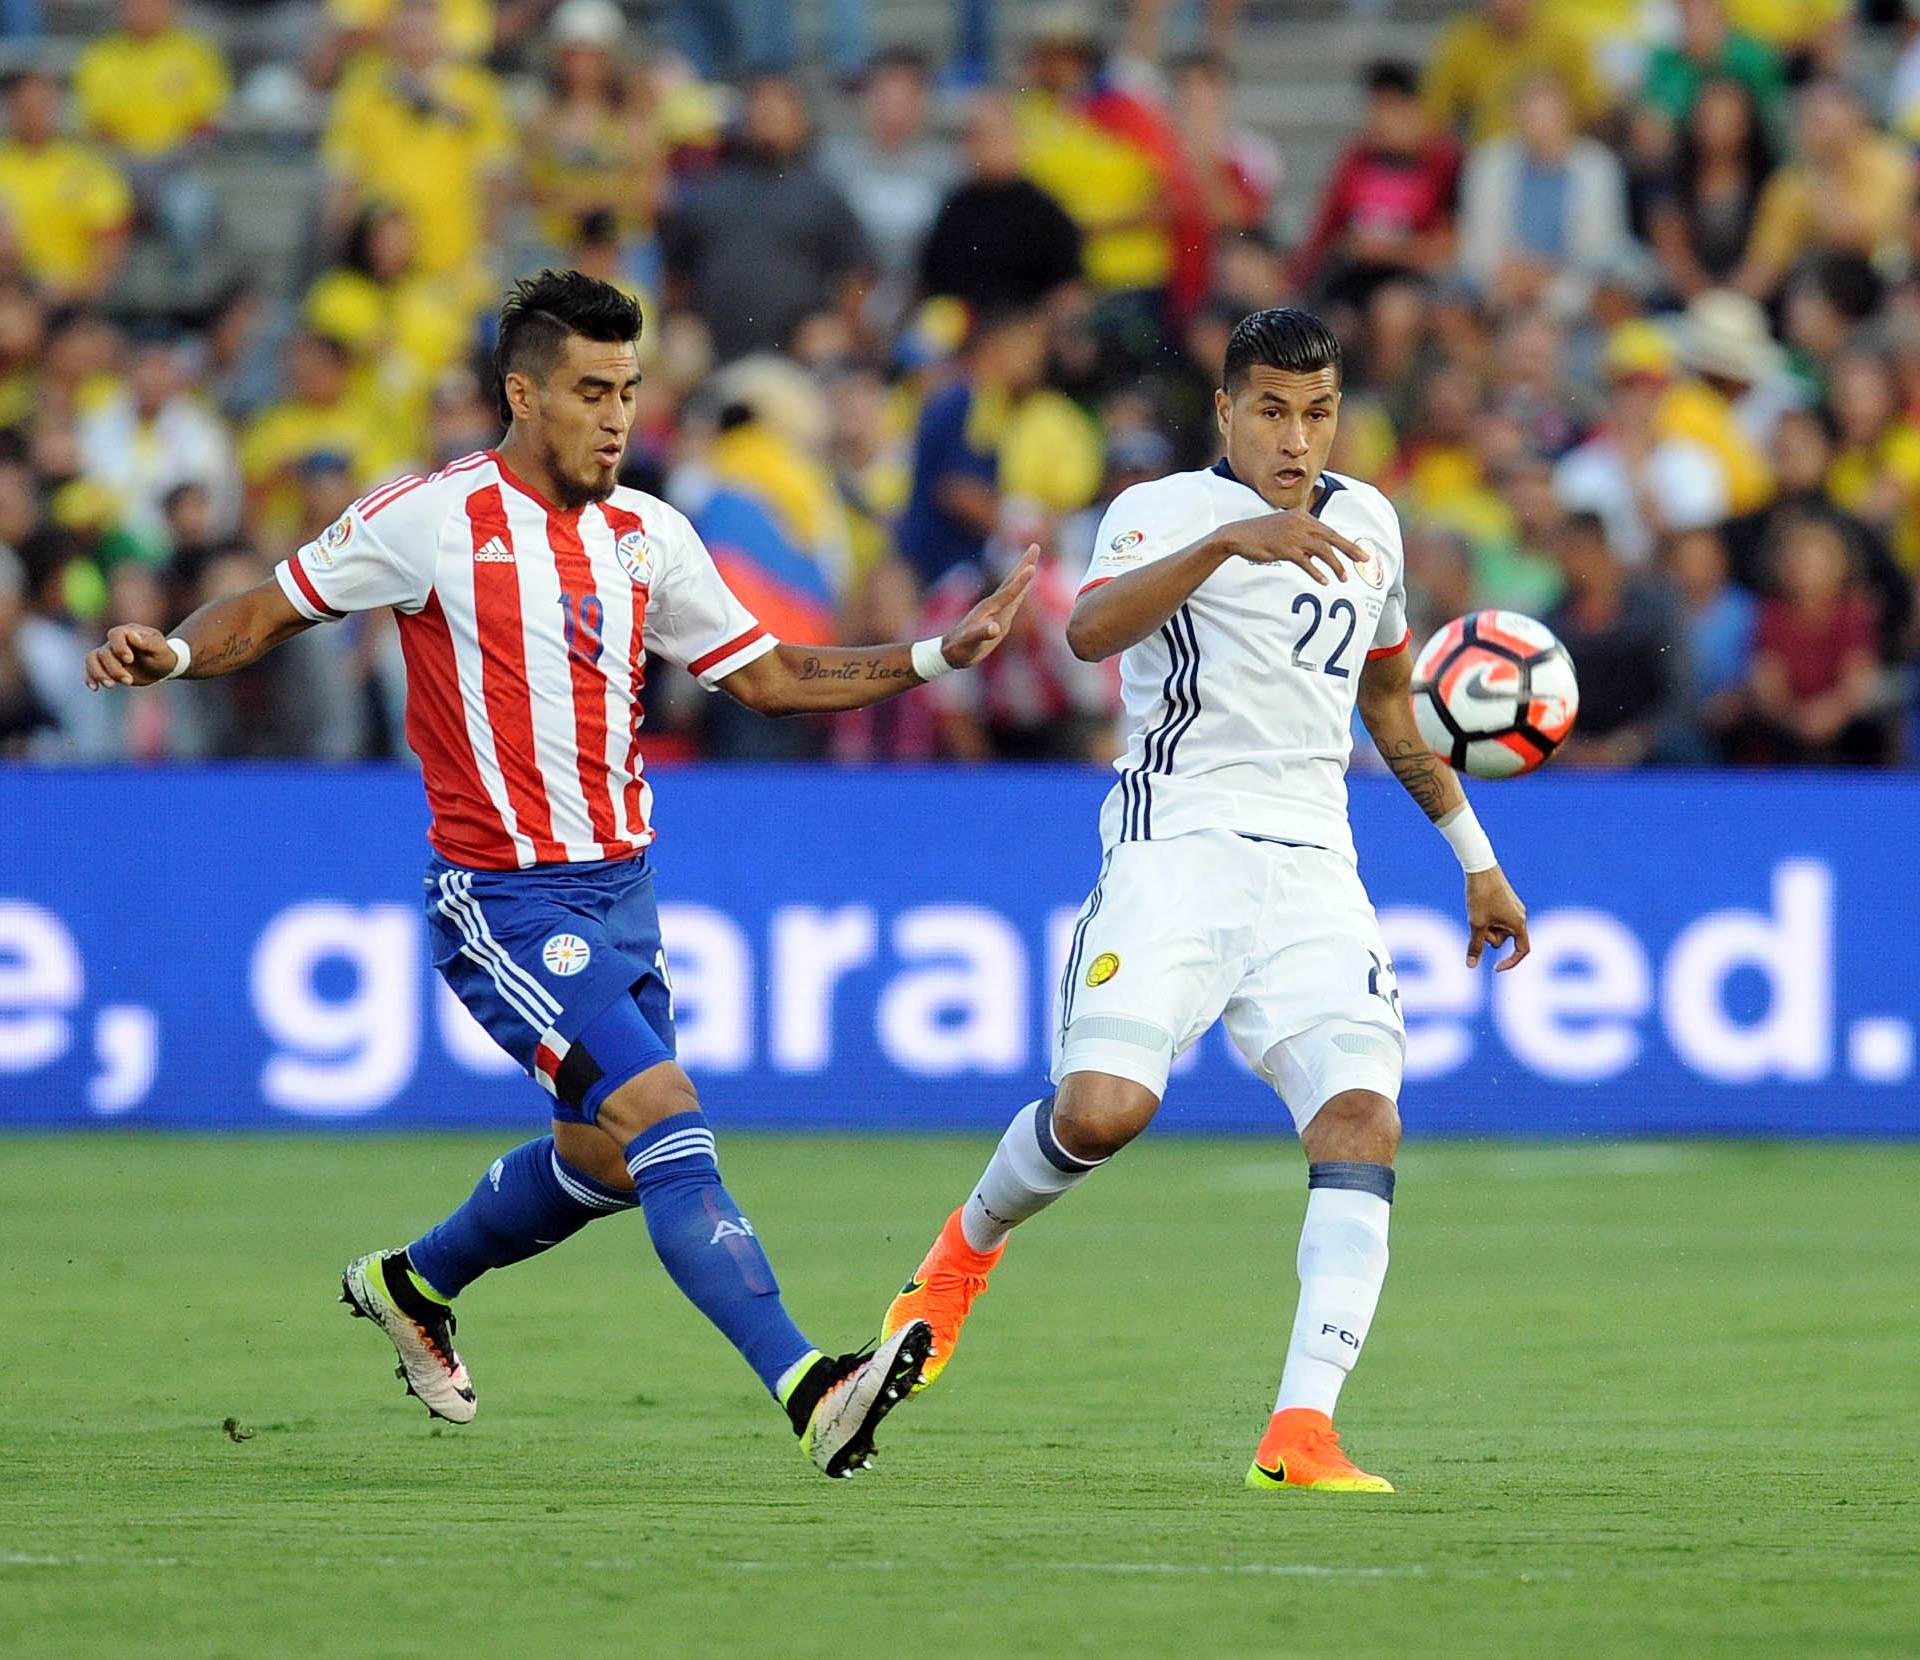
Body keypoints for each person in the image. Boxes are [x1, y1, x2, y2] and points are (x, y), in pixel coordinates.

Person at [82, 270, 1040, 1476]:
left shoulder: (650, 534)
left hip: (623, 897)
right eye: (592, 391)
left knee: (598, 1160)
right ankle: (811, 1384)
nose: (617, 417)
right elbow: (271, 610)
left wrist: (935, 651)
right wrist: (169, 649)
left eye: (630, 391)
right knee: (662, 1121)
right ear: (522, 393)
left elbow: (771, 676)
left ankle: (412, 1281)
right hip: (506, 903)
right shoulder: (432, 518)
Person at [872, 308, 1532, 1492]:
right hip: (1177, 841)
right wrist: (1232, 544)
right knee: (1104, 1111)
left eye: (1318, 412)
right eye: (1272, 410)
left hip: (1314, 865)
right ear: (1227, 412)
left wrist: (1473, 854)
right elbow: (1087, 632)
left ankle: (1302, 1431)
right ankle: (959, 1259)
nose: (1296, 437)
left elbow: (1388, 708)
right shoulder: (1161, 511)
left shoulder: (1371, 522)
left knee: (1361, 1120)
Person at [1294, 60, 1460, 310]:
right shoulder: (1356, 158)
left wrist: (1389, 251)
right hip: (1356, 276)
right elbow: (1326, 229)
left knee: (1394, 309)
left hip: (1415, 280)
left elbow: (1448, 244)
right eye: (1374, 110)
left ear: (1412, 109)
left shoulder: (1444, 162)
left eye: (1387, 110)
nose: (1378, 121)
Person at [917, 89, 1083, 313]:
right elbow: (929, 280)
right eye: (970, 135)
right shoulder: (954, 206)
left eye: (986, 135)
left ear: (1012, 137)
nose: (976, 145)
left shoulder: (1044, 212)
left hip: (1021, 331)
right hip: (955, 329)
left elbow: (1068, 291)